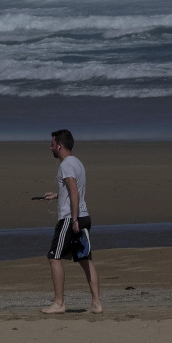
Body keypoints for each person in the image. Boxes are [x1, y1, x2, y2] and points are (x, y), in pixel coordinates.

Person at [39, 129, 103, 314]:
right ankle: (96, 303)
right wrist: (57, 195)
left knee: (53, 257)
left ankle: (59, 303)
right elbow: (73, 191)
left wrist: (73, 219)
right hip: (83, 216)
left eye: (51, 144)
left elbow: (74, 191)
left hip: (71, 218)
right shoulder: (78, 163)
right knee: (85, 259)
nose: (49, 147)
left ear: (59, 145)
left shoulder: (66, 164)